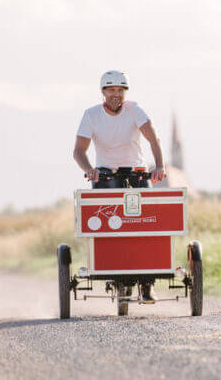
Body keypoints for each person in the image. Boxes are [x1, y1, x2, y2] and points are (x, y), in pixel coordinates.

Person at [73, 70, 166, 301]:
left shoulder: (134, 109)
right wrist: (89, 170)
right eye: (111, 90)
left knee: (148, 225)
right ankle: (115, 272)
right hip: (105, 175)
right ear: (103, 92)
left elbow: (153, 138)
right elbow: (78, 151)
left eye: (120, 90)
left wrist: (160, 166)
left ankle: (147, 284)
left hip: (137, 173)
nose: (116, 95)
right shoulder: (92, 115)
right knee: (107, 226)